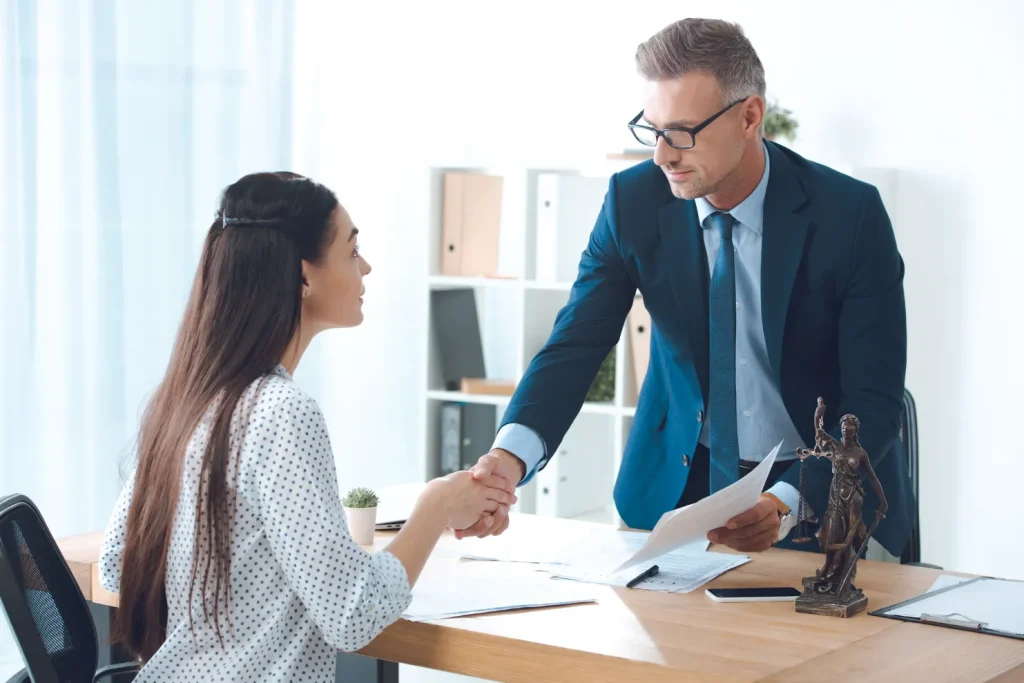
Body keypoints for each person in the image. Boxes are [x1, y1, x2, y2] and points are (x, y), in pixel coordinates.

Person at [463, 17, 913, 558]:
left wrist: (785, 502)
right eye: (652, 130)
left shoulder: (850, 216)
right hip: (676, 490)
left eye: (681, 132)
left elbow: (874, 400)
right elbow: (575, 346)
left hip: (820, 496)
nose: (662, 155)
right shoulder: (632, 203)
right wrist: (507, 459)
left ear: (749, 116)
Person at [98, 172, 516, 682]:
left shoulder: (185, 398)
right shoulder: (279, 411)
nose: (366, 267)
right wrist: (435, 508)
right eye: (351, 250)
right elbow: (352, 615)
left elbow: (117, 561)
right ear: (304, 277)